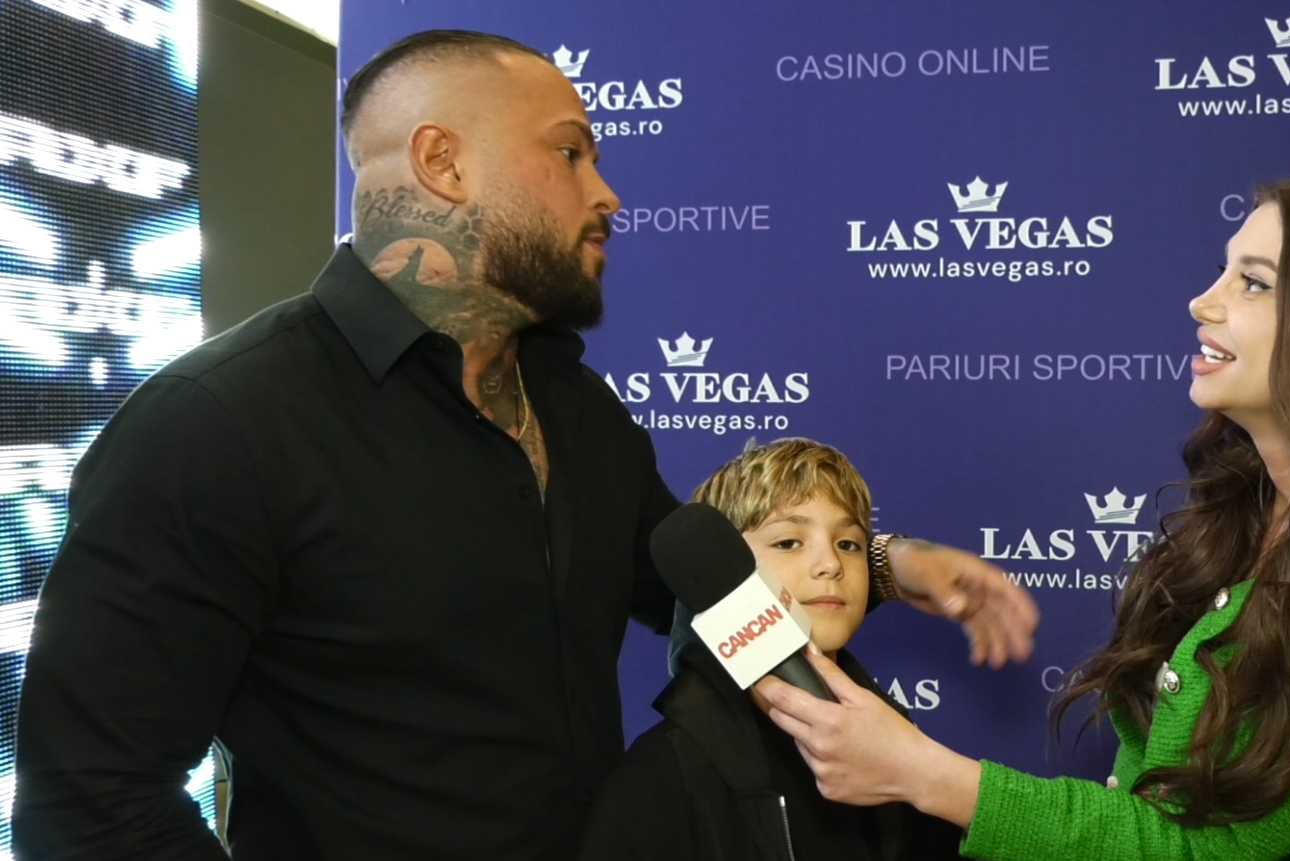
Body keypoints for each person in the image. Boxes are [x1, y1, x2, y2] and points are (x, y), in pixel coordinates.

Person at [11, 30, 1036, 861]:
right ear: (443, 163)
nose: (607, 193)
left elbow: (697, 588)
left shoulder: (575, 408)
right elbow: (89, 806)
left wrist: (888, 564)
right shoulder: (217, 426)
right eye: (570, 152)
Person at [757, 176, 1290, 860]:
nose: (1202, 301)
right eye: (1224, 271)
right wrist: (890, 564)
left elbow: (1201, 849)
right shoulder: (1253, 518)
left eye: (1253, 283)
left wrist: (924, 774)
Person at [582, 438, 965, 860]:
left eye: (848, 544)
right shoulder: (660, 778)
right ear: (720, 569)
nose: (831, 564)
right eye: (788, 543)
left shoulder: (902, 745)